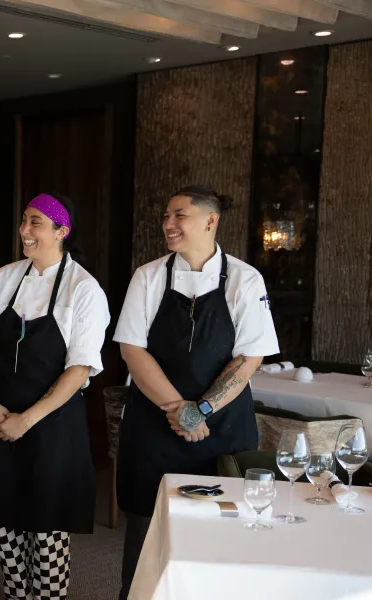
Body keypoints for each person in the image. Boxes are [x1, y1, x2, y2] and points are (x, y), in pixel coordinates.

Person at [114, 185, 279, 599]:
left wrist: (200, 409)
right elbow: (132, 349)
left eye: (179, 215)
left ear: (210, 220)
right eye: (166, 215)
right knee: (145, 532)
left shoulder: (245, 278)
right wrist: (178, 409)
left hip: (222, 430)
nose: (168, 224)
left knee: (223, 531)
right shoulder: (149, 276)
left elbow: (249, 359)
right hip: (153, 427)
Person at [0, 193, 109, 599]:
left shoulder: (84, 289)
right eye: (23, 221)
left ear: (61, 231)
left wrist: (24, 421)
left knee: (46, 531)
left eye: (35, 222)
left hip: (52, 426)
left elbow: (79, 369)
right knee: (7, 526)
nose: (24, 231)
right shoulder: (5, 277)